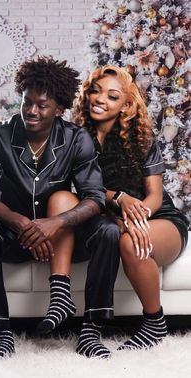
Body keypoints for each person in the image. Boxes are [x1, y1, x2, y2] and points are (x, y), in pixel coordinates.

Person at [0, 56, 120, 360]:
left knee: (108, 230)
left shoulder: (77, 139)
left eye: (42, 105)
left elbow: (94, 197)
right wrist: (20, 222)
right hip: (14, 236)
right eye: (27, 102)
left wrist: (55, 224)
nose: (31, 111)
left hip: (63, 238)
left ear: (59, 108)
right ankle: (1, 334)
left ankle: (91, 331)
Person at [73, 64, 189, 350]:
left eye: (113, 96)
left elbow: (154, 196)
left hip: (158, 217)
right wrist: (118, 198)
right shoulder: (73, 138)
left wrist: (136, 220)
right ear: (87, 94)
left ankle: (154, 323)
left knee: (131, 243)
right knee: (117, 235)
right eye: (96, 91)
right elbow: (76, 191)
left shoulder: (143, 139)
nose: (101, 99)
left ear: (126, 105)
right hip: (104, 217)